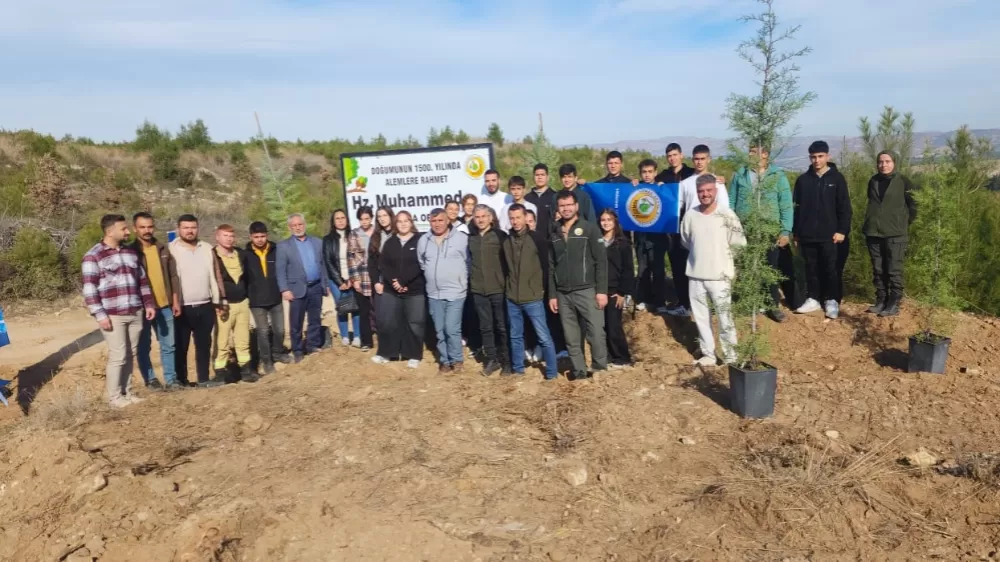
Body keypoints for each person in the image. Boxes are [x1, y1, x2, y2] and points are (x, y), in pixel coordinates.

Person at [82, 214, 156, 407]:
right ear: (110, 231)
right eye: (123, 229)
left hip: (135, 311)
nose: (128, 231)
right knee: (118, 356)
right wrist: (100, 315)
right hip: (113, 315)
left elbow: (142, 281)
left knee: (130, 354)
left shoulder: (130, 253)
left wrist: (148, 304)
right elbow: (90, 290)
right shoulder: (93, 255)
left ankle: (127, 392)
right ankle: (114, 398)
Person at [680, 175, 746, 366]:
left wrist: (726, 262)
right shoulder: (691, 215)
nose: (705, 194)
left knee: (725, 318)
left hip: (720, 276)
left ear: (715, 191)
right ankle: (708, 354)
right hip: (695, 275)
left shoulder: (727, 215)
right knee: (701, 318)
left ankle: (730, 357)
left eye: (709, 190)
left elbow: (738, 243)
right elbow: (686, 241)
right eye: (701, 191)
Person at [729, 143, 797, 322]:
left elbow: (786, 204)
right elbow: (732, 202)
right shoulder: (740, 174)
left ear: (765, 154)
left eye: (754, 152)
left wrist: (784, 231)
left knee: (770, 269)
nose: (751, 155)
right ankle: (748, 302)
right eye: (749, 152)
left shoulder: (777, 176)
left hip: (769, 230)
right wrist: (732, 227)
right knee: (747, 268)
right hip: (746, 230)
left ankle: (772, 305)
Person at [548, 190, 609, 380]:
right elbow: (550, 266)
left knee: (596, 332)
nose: (566, 209)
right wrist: (552, 294)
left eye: (569, 205)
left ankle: (599, 368)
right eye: (562, 205)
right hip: (563, 293)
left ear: (576, 206)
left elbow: (601, 261)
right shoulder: (554, 232)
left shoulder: (589, 228)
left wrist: (601, 291)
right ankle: (579, 371)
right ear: (558, 208)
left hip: (587, 290)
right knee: (571, 336)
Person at [669, 145, 731, 317]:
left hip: (714, 235)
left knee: (715, 272)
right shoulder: (685, 184)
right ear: (692, 160)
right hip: (693, 237)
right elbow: (676, 206)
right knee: (694, 273)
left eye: (703, 158)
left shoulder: (717, 183)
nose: (699, 162)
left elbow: (725, 210)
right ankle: (691, 307)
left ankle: (717, 306)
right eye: (696, 159)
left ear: (709, 159)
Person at [793, 141, 852, 320]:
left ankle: (832, 300)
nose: (816, 160)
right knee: (811, 268)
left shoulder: (837, 179)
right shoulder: (803, 180)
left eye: (820, 156)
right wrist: (796, 232)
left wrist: (842, 230)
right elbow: (797, 207)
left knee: (831, 269)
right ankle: (813, 298)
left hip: (831, 235)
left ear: (828, 156)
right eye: (813, 157)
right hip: (808, 234)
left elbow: (845, 208)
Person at [503, 204, 559, 380]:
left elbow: (546, 267)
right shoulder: (506, 241)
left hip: (533, 297)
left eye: (518, 217)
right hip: (512, 298)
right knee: (515, 336)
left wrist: (544, 290)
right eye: (512, 218)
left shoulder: (538, 239)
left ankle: (551, 372)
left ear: (525, 218)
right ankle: (518, 370)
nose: (515, 221)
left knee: (543, 336)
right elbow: (505, 268)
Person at [128, 212, 181, 390]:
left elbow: (173, 277)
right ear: (135, 228)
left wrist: (175, 301)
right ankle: (150, 380)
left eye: (150, 226)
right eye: (142, 227)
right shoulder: (130, 252)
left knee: (168, 345)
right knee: (144, 347)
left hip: (165, 306)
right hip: (142, 309)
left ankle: (171, 380)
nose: (147, 230)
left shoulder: (163, 249)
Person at [863, 150, 917, 317]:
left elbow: (914, 205)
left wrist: (904, 222)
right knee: (878, 269)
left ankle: (894, 302)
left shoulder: (903, 181)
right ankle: (881, 300)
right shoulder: (873, 181)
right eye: (880, 161)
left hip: (896, 234)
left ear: (894, 163)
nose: (883, 165)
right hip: (874, 232)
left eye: (887, 161)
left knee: (894, 268)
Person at [372, 211, 426, 368]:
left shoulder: (420, 240)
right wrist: (394, 282)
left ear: (411, 222)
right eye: (400, 221)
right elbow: (384, 265)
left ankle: (413, 355)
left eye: (406, 221)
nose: (403, 224)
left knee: (415, 323)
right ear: (395, 224)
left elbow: (420, 264)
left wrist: (404, 281)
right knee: (388, 322)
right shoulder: (390, 242)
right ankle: (387, 353)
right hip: (391, 290)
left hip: (414, 290)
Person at [418, 208, 469, 372]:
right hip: (434, 293)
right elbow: (422, 262)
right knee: (440, 330)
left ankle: (457, 360)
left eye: (440, 220)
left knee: (451, 328)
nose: (437, 224)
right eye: (433, 221)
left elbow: (468, 261)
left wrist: (461, 280)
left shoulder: (461, 239)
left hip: (456, 292)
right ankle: (445, 361)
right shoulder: (424, 240)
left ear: (448, 220)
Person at [276, 213, 330, 362]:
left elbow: (322, 265)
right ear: (290, 227)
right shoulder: (283, 246)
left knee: (315, 319)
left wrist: (325, 284)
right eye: (294, 225)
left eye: (300, 224)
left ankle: (312, 345)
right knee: (296, 322)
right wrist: (284, 289)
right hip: (296, 289)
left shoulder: (317, 242)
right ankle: (298, 350)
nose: (298, 227)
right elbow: (280, 270)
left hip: (316, 287)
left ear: (304, 225)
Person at [655, 143, 697, 315]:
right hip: (672, 228)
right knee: (677, 266)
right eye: (669, 156)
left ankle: (697, 303)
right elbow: (649, 187)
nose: (672, 158)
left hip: (691, 224)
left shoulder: (691, 173)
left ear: (681, 155)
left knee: (693, 265)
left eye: (675, 154)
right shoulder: (663, 176)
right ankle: (683, 303)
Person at [468, 204, 510, 376]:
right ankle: (492, 360)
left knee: (501, 326)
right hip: (478, 289)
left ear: (490, 217)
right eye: (477, 217)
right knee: (486, 327)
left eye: (484, 216)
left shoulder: (501, 236)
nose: (480, 219)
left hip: (498, 289)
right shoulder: (471, 238)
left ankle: (507, 360)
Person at [212, 224, 255, 382]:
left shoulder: (240, 254)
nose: (229, 239)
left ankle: (246, 370)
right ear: (217, 237)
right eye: (225, 235)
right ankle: (220, 373)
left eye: (231, 236)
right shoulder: (212, 256)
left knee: (243, 338)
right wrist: (217, 304)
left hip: (242, 303)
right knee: (222, 340)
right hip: (224, 306)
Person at [245, 221, 289, 375]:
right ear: (251, 237)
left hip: (275, 297)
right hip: (256, 301)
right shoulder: (246, 254)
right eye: (256, 236)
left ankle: (277, 353)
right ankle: (267, 362)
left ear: (267, 236)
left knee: (279, 330)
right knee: (262, 332)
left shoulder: (275, 250)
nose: (260, 239)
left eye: (262, 236)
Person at [631, 159, 671, 314]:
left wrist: (664, 190)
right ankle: (644, 299)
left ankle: (659, 301)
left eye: (650, 172)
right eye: (644, 172)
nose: (647, 175)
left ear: (655, 172)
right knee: (642, 270)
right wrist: (632, 186)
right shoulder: (636, 188)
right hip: (641, 237)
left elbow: (670, 204)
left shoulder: (661, 188)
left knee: (658, 270)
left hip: (658, 238)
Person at [599, 210, 635, 369]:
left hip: (615, 291)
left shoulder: (623, 243)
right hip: (599, 290)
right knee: (602, 326)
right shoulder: (596, 241)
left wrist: (622, 292)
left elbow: (628, 270)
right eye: (603, 220)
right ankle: (608, 357)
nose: (606, 223)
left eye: (609, 220)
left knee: (614, 326)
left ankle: (622, 357)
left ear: (615, 222)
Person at [323, 209, 361, 347]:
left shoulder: (354, 235)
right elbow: (328, 261)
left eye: (343, 217)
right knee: (342, 307)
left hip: (354, 278)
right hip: (336, 280)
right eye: (337, 218)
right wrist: (340, 281)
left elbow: (359, 258)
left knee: (356, 307)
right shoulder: (328, 240)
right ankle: (345, 335)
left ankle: (357, 336)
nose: (340, 220)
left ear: (347, 219)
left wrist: (352, 279)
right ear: (333, 222)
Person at [346, 206, 376, 350]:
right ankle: (366, 341)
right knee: (364, 311)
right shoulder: (354, 234)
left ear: (371, 218)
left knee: (380, 310)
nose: (364, 222)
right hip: (362, 277)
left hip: (377, 276)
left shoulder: (378, 232)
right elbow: (350, 258)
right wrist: (355, 279)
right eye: (362, 219)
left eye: (367, 218)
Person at [525, 163, 557, 237]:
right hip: (531, 240)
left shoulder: (555, 196)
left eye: (542, 175)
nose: (539, 177)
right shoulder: (527, 198)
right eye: (537, 175)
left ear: (547, 177)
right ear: (533, 177)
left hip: (549, 240)